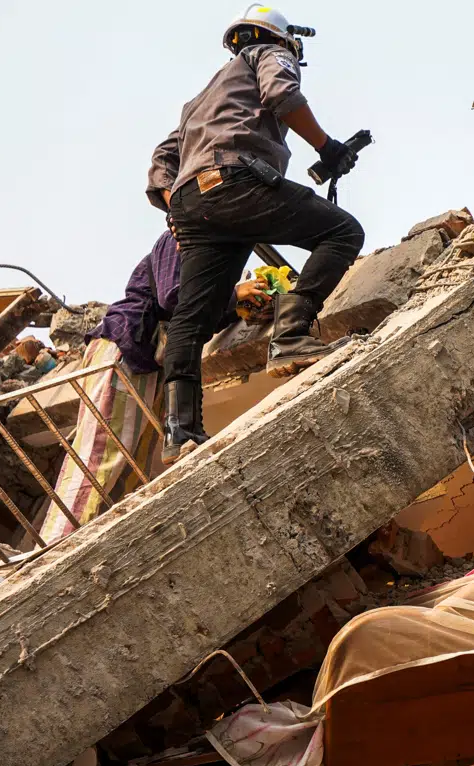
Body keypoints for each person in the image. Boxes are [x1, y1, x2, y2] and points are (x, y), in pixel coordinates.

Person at [146, 4, 365, 464]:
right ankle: (290, 335)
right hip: (236, 180)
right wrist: (330, 148)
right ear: (284, 40)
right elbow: (284, 95)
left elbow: (162, 162)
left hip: (192, 203)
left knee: (192, 317)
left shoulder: (197, 102)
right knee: (343, 232)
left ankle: (181, 432)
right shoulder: (268, 53)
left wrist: (183, 212)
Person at [36, 232, 271, 540]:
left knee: (132, 467)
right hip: (125, 349)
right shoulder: (184, 237)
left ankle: (97, 541)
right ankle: (56, 544)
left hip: (151, 362)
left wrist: (235, 310)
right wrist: (234, 294)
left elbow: (193, 315)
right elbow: (173, 296)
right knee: (102, 454)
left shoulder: (213, 256)